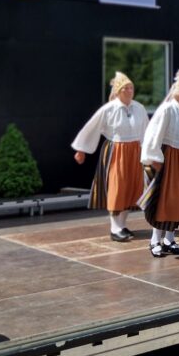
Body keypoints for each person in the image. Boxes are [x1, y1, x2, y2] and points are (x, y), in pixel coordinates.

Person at [72, 71, 148, 242]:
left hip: (135, 150)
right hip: (116, 150)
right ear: (118, 91)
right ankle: (115, 228)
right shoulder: (109, 109)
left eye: (131, 88)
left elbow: (146, 130)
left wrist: (148, 151)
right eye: (126, 88)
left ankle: (122, 224)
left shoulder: (139, 108)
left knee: (132, 187)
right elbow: (91, 127)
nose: (129, 91)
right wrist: (81, 149)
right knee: (117, 186)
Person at [139, 70, 179, 257]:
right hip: (169, 158)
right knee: (165, 200)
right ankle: (155, 240)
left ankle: (169, 239)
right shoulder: (167, 109)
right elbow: (153, 132)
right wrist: (154, 157)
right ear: (177, 91)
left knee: (178, 199)